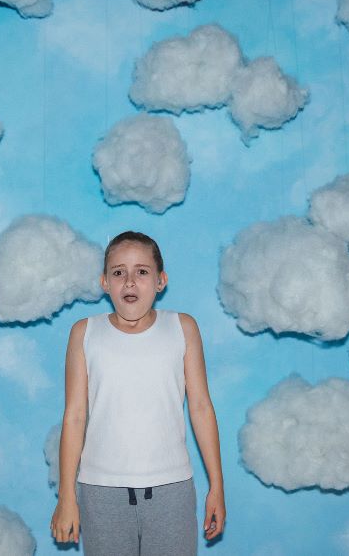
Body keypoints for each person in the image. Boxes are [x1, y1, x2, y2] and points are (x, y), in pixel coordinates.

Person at [50, 231, 226, 555]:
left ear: (161, 281)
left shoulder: (182, 328)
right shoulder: (84, 334)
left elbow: (201, 407)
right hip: (100, 491)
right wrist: (66, 497)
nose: (130, 281)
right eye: (119, 272)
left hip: (172, 490)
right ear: (105, 282)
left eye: (142, 272)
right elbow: (74, 417)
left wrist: (217, 485)